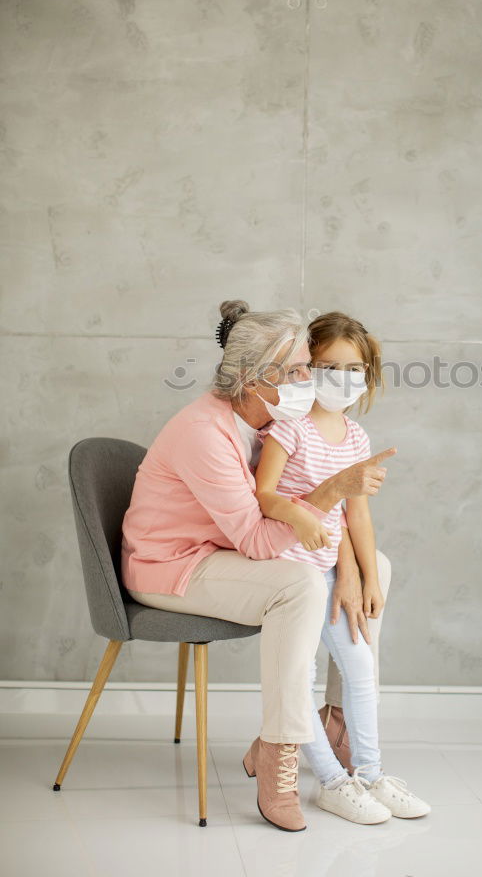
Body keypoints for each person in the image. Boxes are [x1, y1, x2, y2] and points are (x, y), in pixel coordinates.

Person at [121, 299, 396, 832]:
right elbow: (257, 536)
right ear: (252, 379)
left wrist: (350, 562)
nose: (306, 379)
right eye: (296, 370)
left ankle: (336, 721)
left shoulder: (270, 419)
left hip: (222, 554)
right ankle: (279, 750)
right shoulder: (206, 432)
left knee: (373, 566)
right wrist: (333, 494)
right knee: (297, 583)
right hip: (172, 566)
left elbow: (307, 512)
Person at [254, 310, 431, 825]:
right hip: (289, 573)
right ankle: (331, 780)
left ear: (368, 373)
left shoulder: (355, 436)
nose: (344, 378)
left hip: (329, 568)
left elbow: (358, 514)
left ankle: (371, 774)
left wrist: (369, 577)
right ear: (307, 367)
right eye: (330, 365)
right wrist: (304, 515)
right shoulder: (289, 428)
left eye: (355, 368)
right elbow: (264, 497)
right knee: (300, 677)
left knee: (360, 668)